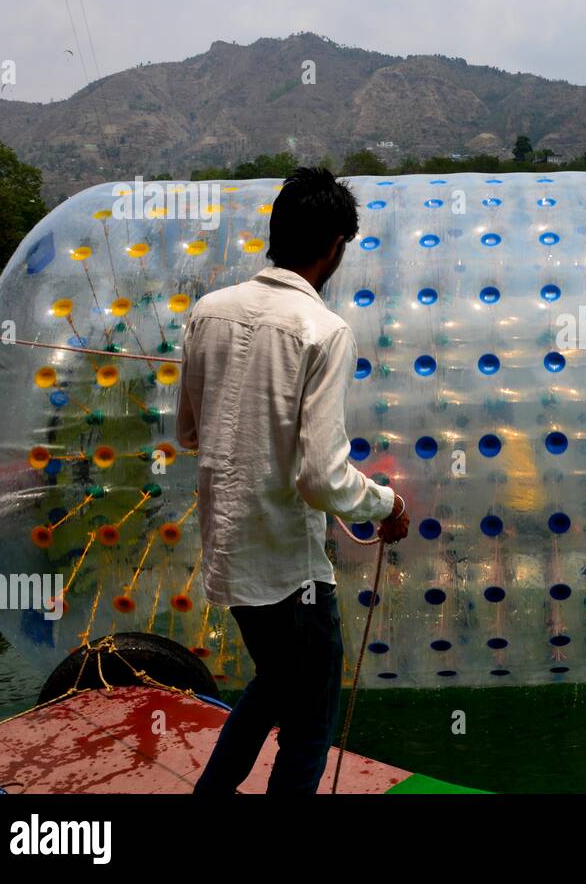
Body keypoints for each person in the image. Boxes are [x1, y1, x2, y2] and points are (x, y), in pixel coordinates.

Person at [178, 166, 408, 795]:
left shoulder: (207, 313)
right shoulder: (324, 331)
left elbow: (190, 433)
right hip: (289, 571)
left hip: (230, 555)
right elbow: (321, 477)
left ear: (276, 232)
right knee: (309, 727)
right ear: (335, 246)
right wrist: (387, 502)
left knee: (274, 684)